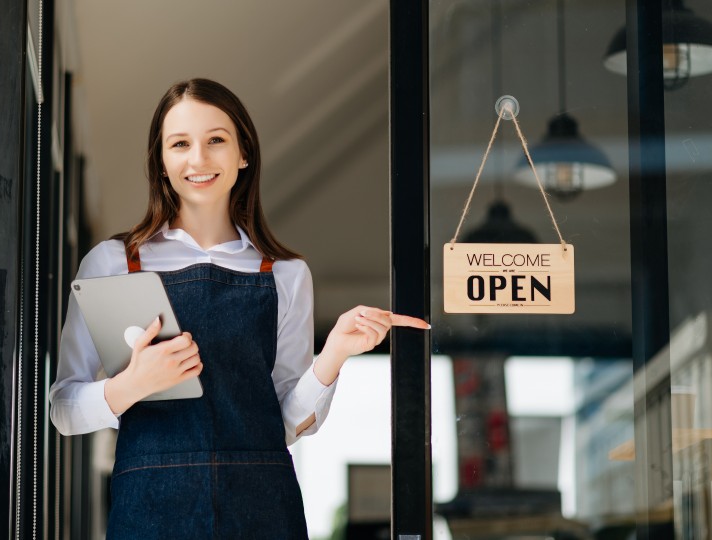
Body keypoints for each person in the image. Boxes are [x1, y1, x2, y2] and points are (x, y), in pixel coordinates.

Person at [48, 78, 429, 539]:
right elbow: (64, 410)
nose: (199, 159)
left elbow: (286, 424)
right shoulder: (114, 263)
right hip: (151, 508)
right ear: (161, 161)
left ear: (243, 153)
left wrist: (334, 355)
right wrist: (130, 385)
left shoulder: (286, 273)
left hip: (262, 507)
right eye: (180, 144)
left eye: (216, 141)